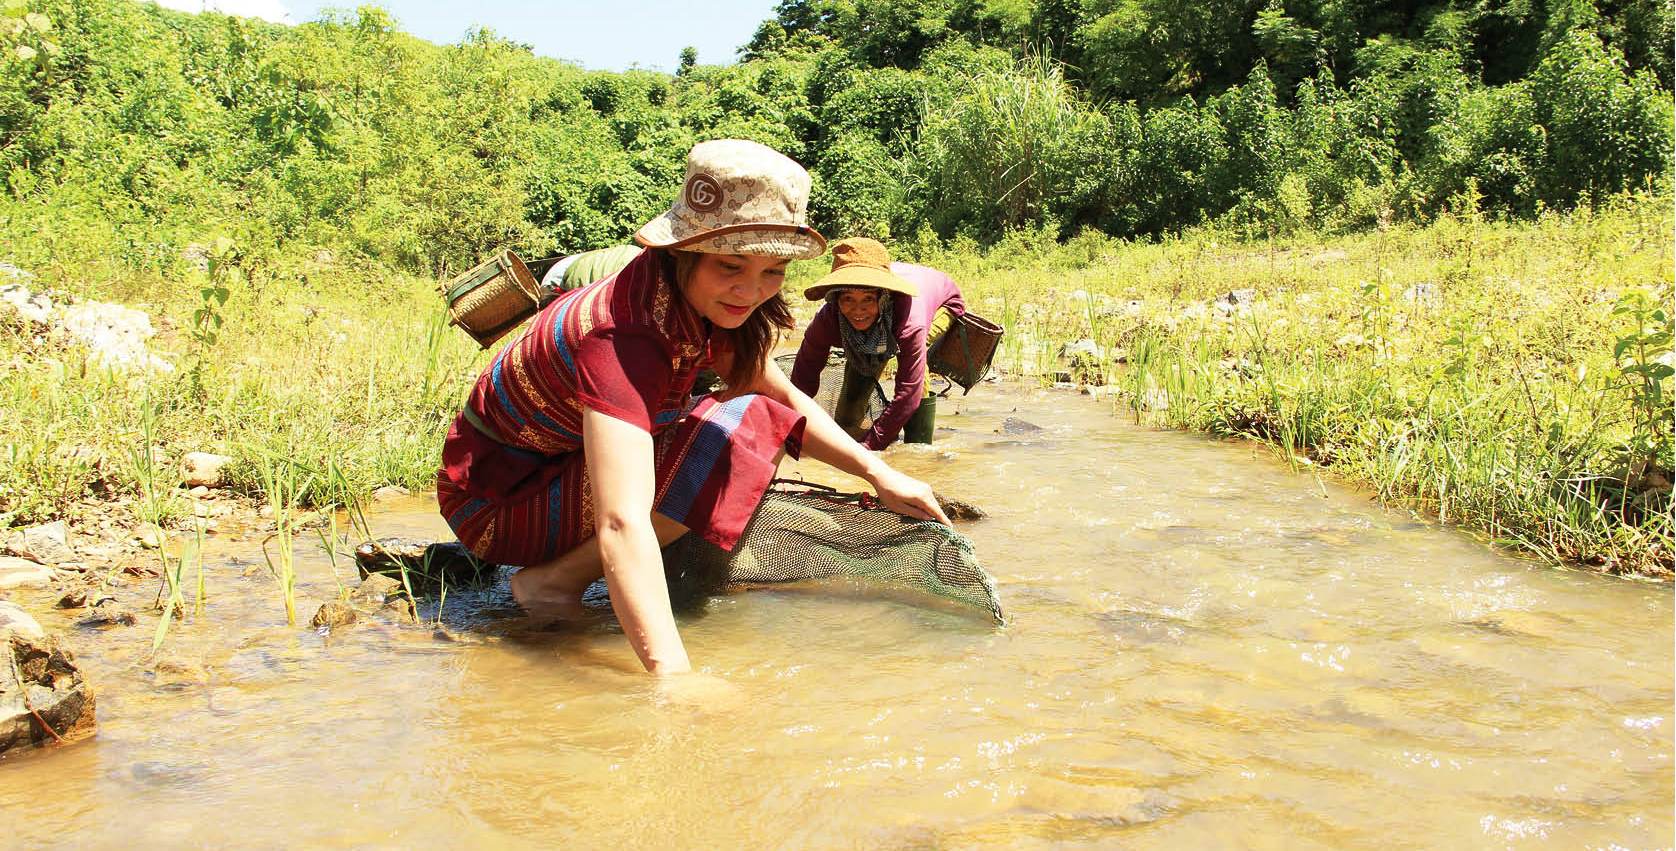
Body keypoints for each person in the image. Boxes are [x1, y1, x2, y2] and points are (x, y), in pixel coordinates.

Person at [436, 139, 951, 676]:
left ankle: (576, 571)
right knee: (744, 430)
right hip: (496, 507)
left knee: (762, 418)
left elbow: (782, 396)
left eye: (772, 271)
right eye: (731, 265)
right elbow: (621, 520)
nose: (750, 290)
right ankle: (552, 582)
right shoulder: (622, 334)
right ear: (684, 251)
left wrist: (878, 474)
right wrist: (673, 679)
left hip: (552, 477)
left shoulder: (687, 301)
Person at [789, 238, 967, 450]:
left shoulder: (910, 322)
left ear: (883, 298)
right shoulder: (826, 320)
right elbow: (803, 377)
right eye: (848, 299)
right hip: (885, 316)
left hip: (943, 301)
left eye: (868, 299)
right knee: (847, 420)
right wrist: (791, 429)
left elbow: (908, 390)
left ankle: (919, 440)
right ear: (836, 300)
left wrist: (871, 447)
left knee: (917, 376)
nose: (858, 310)